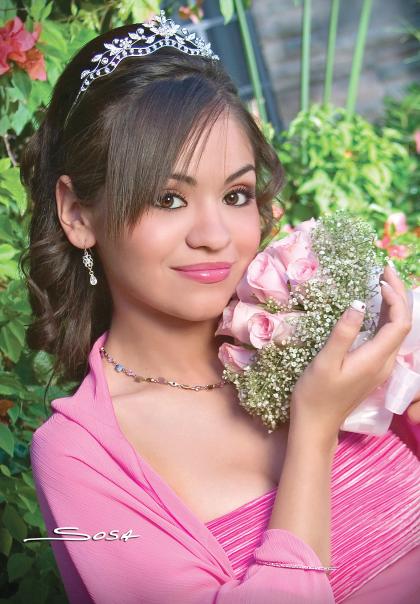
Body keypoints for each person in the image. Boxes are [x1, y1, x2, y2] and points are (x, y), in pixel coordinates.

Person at [20, 10, 419, 604]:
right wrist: (312, 431)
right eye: (168, 197)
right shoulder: (81, 457)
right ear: (78, 213)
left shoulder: (309, 323)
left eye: (235, 194)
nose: (215, 234)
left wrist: (401, 384)